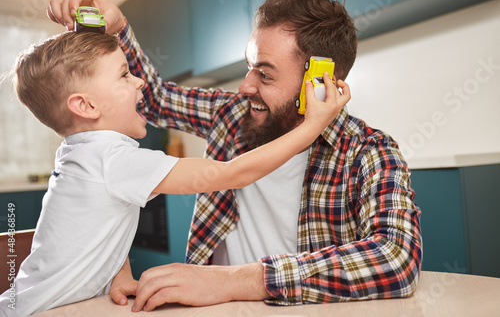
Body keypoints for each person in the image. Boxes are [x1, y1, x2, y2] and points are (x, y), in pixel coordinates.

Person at [46, 0, 422, 312]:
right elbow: (155, 100)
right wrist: (117, 29)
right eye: (248, 67)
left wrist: (231, 281)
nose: (245, 86)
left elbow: (397, 260)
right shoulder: (232, 115)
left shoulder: (367, 151)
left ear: (320, 82)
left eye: (265, 73)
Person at [0, 29, 348, 316]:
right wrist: (312, 127)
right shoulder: (114, 158)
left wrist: (119, 272)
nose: (139, 83)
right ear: (86, 106)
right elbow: (230, 174)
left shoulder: (81, 152)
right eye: (124, 75)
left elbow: (97, 226)